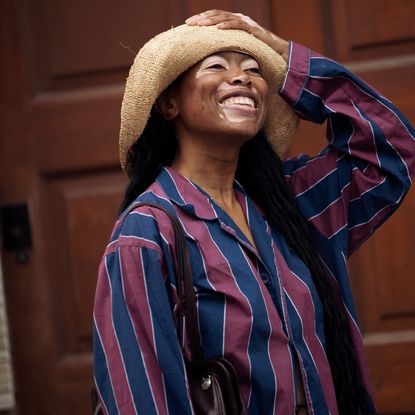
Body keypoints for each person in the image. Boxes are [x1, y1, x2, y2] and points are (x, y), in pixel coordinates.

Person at [93, 10, 415, 415]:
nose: (244, 77)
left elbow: (392, 150)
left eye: (254, 70)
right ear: (169, 104)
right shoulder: (147, 233)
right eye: (216, 67)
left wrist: (285, 61)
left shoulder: (294, 204)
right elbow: (139, 397)